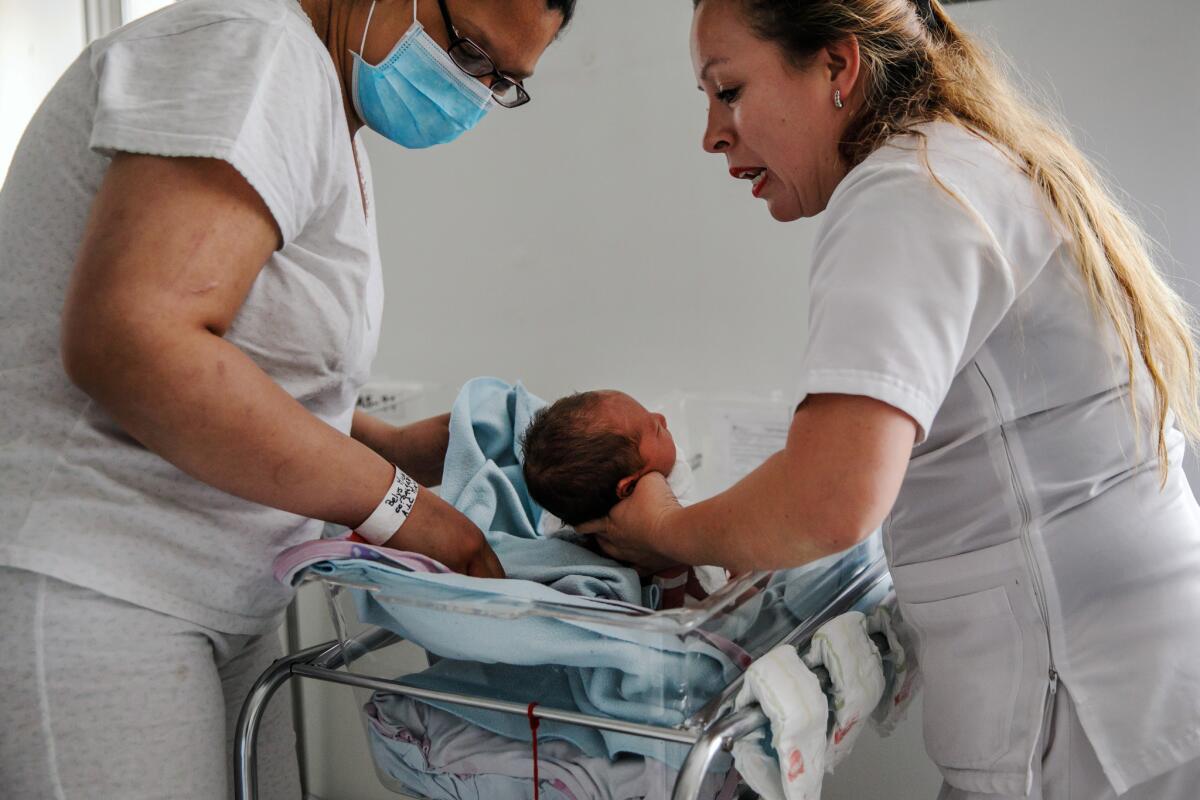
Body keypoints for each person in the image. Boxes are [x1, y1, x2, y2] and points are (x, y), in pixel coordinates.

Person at [581, 1, 1200, 797]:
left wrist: (665, 532)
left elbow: (828, 498)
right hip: (1140, 684)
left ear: (838, 66)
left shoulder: (903, 192)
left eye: (727, 89)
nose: (712, 133)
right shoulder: (962, 161)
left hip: (1100, 716)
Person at [0, 0, 575, 796]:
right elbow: (137, 343)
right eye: (471, 54)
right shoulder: (256, 50)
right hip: (103, 584)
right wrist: (407, 506)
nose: (472, 93)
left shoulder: (326, 107)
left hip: (224, 599)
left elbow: (246, 380)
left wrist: (413, 449)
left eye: (504, 83)